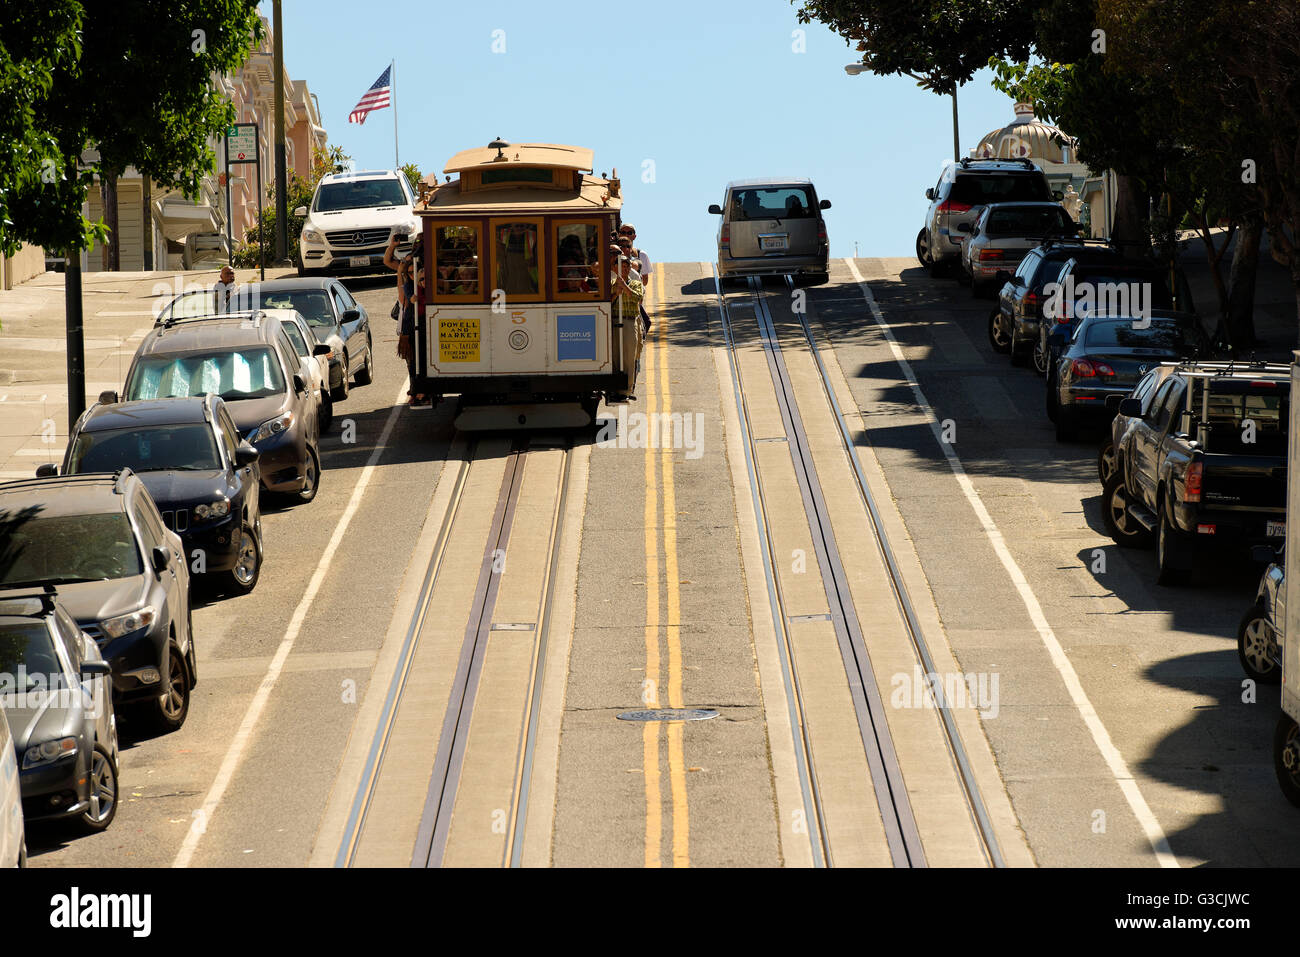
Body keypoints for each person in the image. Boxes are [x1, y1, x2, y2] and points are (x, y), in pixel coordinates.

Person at [385, 230, 429, 406]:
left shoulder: (427, 265)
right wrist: (393, 246)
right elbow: (388, 261)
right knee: (411, 358)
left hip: (423, 316)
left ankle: (424, 390)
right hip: (408, 315)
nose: (419, 244)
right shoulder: (407, 265)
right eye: (417, 241)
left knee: (424, 356)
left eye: (422, 242)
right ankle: (414, 389)